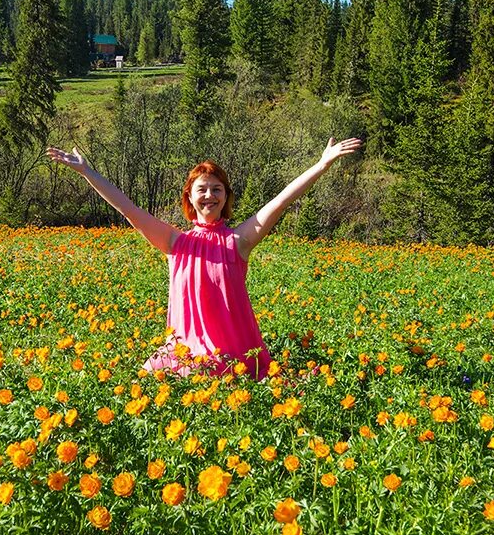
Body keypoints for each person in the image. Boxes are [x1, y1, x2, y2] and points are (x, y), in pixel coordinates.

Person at [45, 137, 363, 378]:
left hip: (232, 359)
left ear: (225, 197)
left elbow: (279, 202)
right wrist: (86, 172)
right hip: (182, 355)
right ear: (190, 197)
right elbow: (128, 209)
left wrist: (322, 165)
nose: (209, 195)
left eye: (217, 189)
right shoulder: (174, 242)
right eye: (202, 189)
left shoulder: (239, 240)